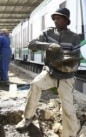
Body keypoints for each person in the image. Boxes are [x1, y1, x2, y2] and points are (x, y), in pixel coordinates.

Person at [16, 8, 81, 137]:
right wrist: (48, 46)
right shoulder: (47, 33)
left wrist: (70, 66)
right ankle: (27, 118)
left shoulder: (74, 37)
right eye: (55, 19)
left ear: (66, 20)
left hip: (66, 77)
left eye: (59, 18)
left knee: (68, 108)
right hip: (49, 72)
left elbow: (77, 57)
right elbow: (32, 45)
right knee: (35, 84)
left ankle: (70, 134)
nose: (56, 21)